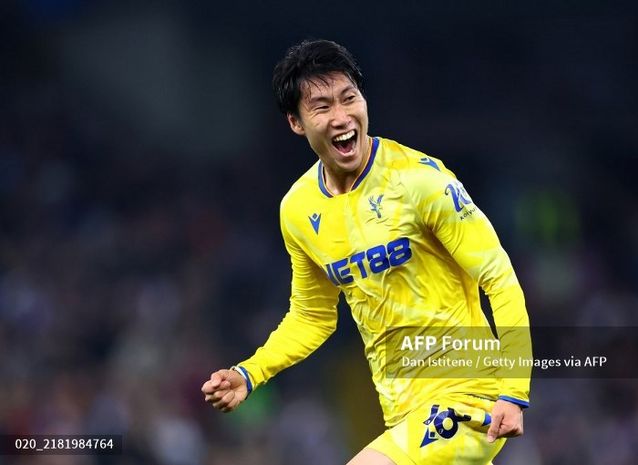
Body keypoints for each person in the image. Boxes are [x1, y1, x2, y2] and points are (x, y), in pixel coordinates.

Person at [201, 39, 532, 465]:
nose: (341, 117)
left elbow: (499, 278)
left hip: (468, 399)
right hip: (402, 414)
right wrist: (251, 373)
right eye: (321, 107)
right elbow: (311, 317)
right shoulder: (299, 210)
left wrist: (514, 392)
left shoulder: (419, 181)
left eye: (349, 98)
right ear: (296, 122)